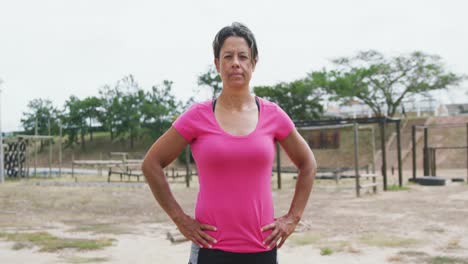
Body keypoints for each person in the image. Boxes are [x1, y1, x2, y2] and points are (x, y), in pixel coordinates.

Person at [141, 22, 316, 264]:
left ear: (254, 63)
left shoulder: (273, 115)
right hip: (210, 249)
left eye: (243, 56)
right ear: (217, 64)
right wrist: (180, 219)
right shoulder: (197, 116)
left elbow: (308, 163)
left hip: (261, 248)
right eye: (228, 56)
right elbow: (151, 164)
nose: (236, 62)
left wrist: (292, 218)